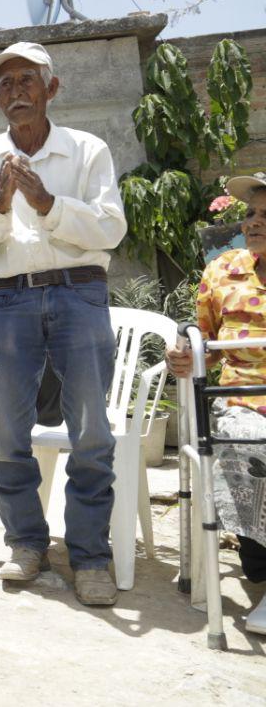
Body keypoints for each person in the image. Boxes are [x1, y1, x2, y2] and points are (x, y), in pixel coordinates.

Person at [0, 41, 127, 606]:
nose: (15, 92)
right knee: (5, 432)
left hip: (80, 297)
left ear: (51, 89)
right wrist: (2, 202)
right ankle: (27, 545)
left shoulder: (87, 150)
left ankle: (90, 557)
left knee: (91, 433)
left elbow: (109, 230)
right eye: (5, 85)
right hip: (9, 301)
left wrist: (48, 202)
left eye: (27, 81)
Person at [165, 171, 266, 635]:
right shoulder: (223, 269)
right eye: (250, 214)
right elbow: (198, 336)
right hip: (240, 399)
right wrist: (182, 353)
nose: (253, 223)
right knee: (251, 444)